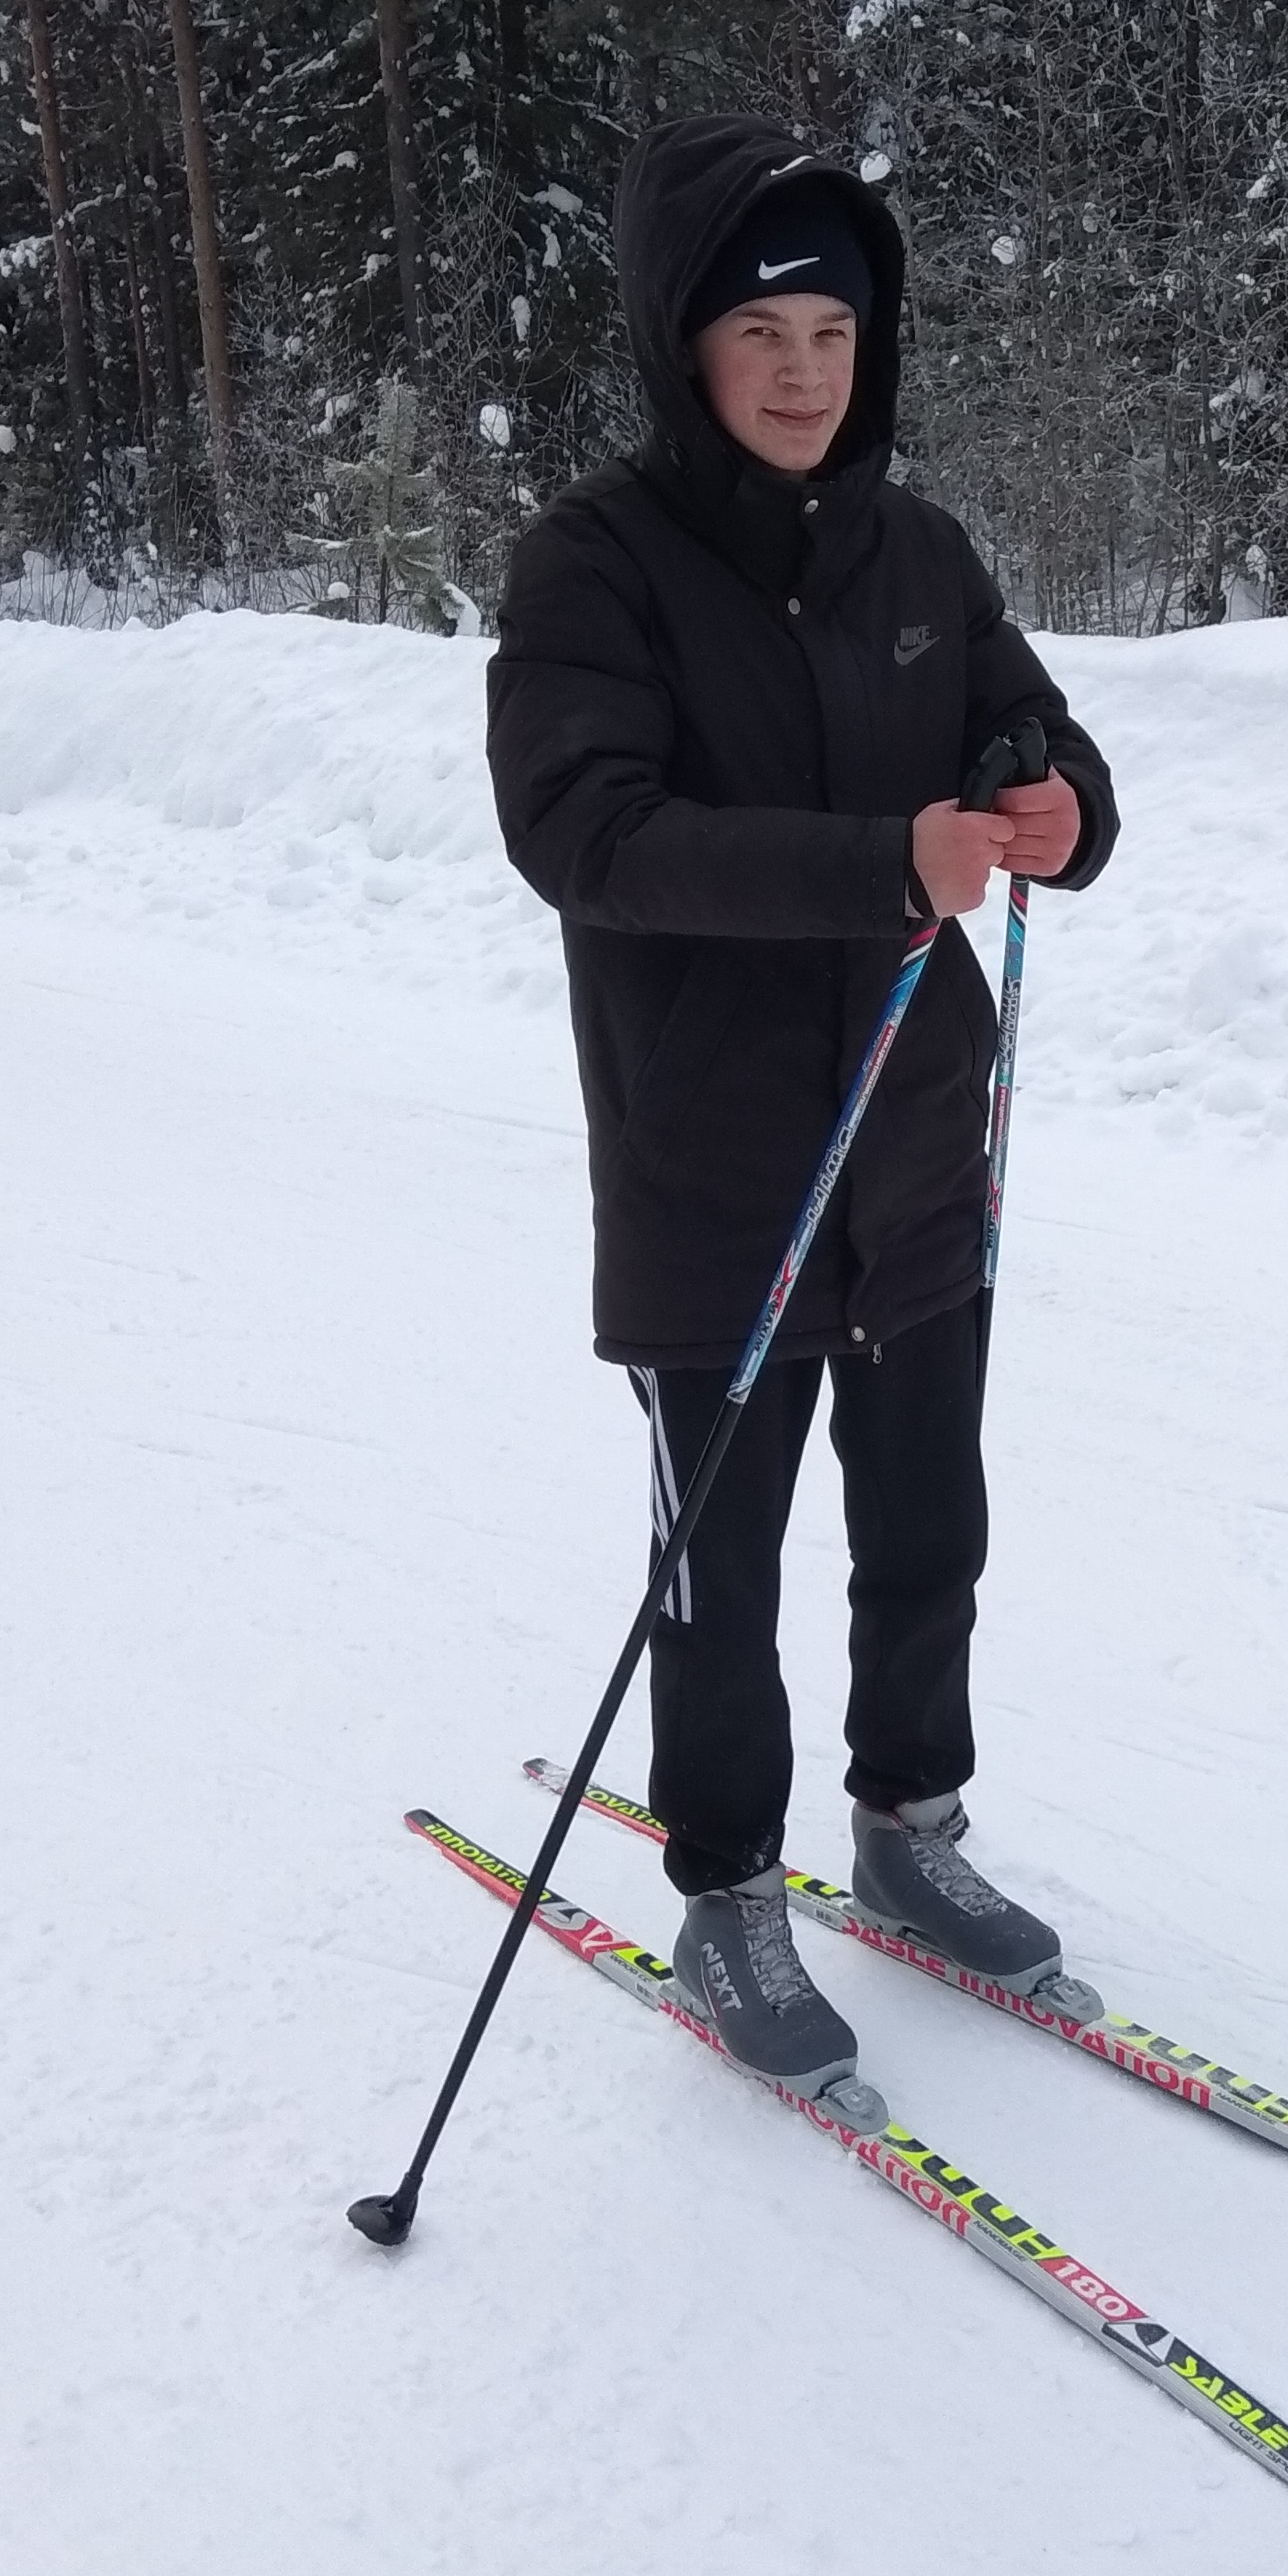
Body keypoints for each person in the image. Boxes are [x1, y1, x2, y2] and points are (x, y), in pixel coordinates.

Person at [486, 113, 1117, 2109]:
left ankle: (910, 1829)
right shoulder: (595, 564)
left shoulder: (920, 553)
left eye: (831, 328)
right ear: (684, 341)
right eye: (758, 325)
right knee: (724, 1570)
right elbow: (588, 832)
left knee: (930, 1525)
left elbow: (1037, 729)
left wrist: (1058, 800)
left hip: (923, 1143)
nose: (799, 367)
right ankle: (730, 1888)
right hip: (717, 1169)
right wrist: (883, 865)